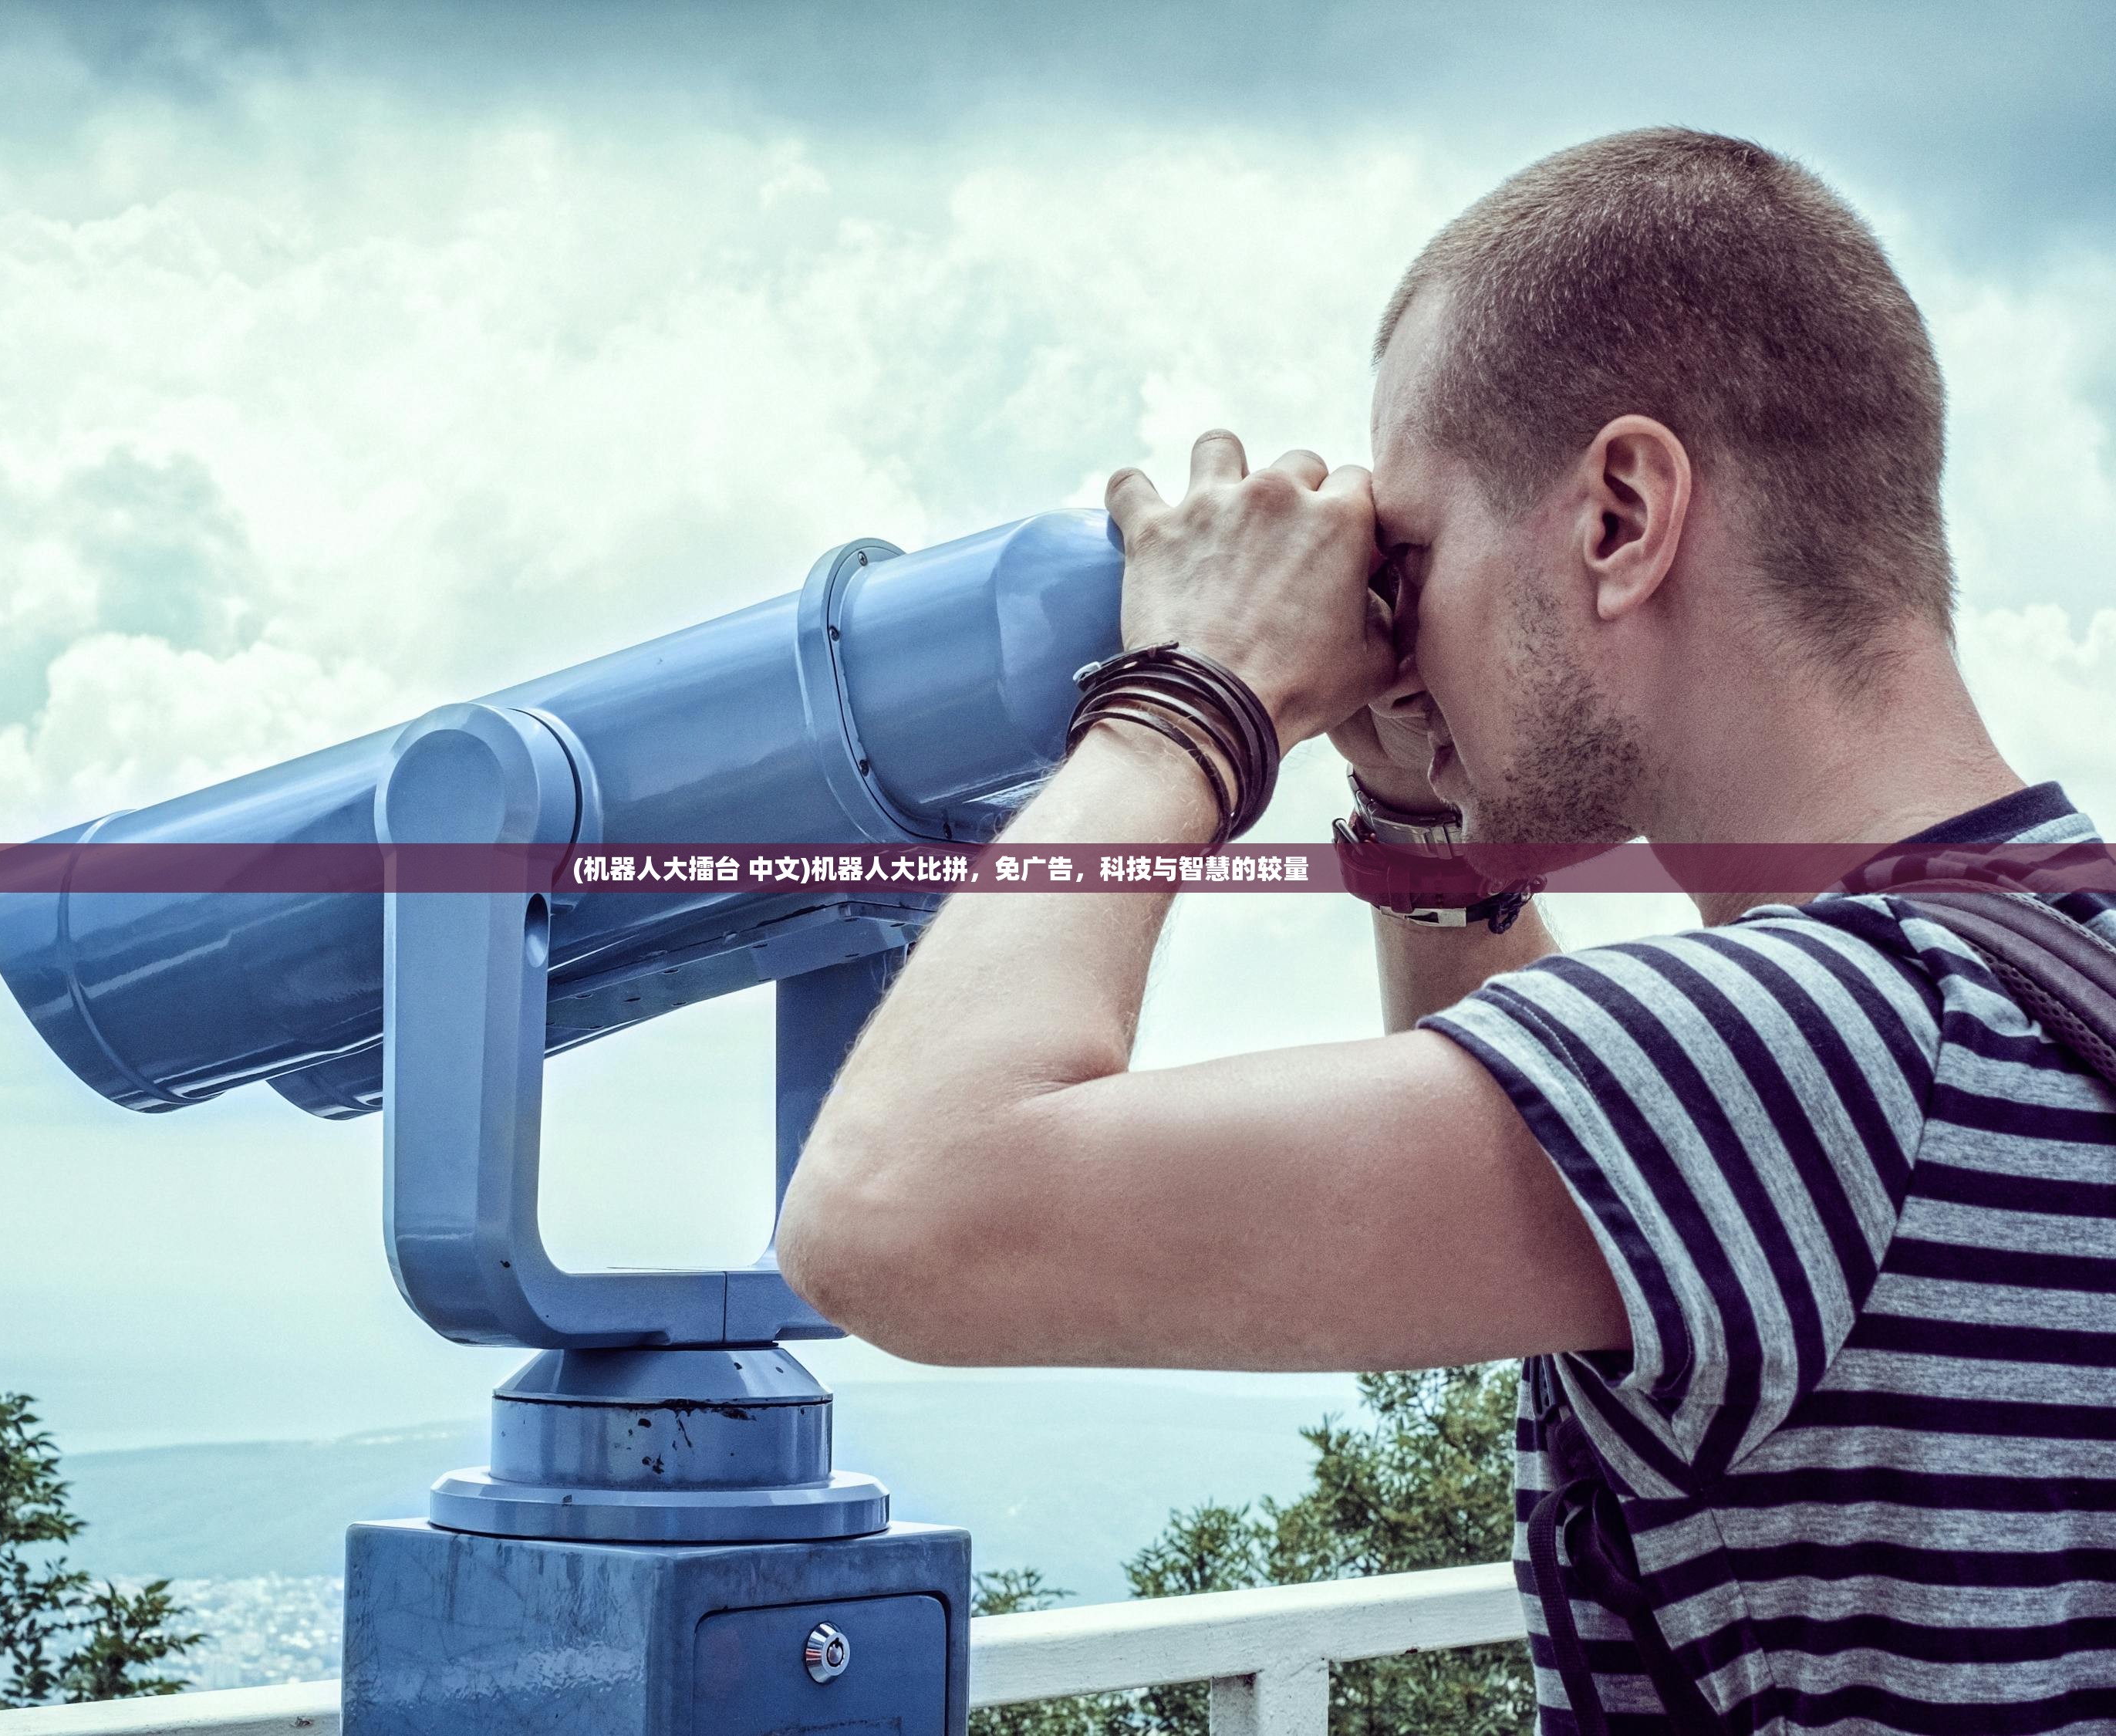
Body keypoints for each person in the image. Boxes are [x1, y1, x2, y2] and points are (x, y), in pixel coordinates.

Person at [775, 127, 2116, 1734]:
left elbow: (894, 1216)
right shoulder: (2027, 976)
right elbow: (1615, 1199)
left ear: (1619, 515)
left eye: (1406, 559)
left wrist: (1187, 702)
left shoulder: (1828, 1052)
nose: (1385, 635)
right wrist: (1428, 827)